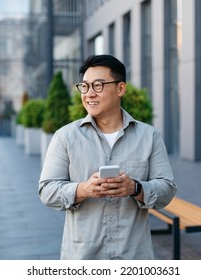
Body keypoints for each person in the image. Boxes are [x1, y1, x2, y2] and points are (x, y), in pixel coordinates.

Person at [38, 54, 177, 260]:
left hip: (134, 257)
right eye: (84, 87)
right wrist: (84, 189)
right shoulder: (65, 137)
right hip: (83, 257)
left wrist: (135, 188)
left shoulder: (149, 136)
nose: (89, 94)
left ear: (120, 89)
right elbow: (47, 190)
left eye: (98, 86)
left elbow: (167, 189)